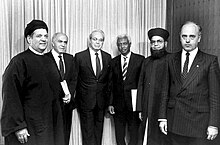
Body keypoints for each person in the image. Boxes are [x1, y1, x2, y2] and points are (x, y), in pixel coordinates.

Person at [1, 20, 65, 145]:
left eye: (46, 36)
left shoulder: (49, 61)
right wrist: (19, 126)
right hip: (30, 127)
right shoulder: (19, 62)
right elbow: (11, 96)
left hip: (49, 124)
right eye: (39, 36)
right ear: (29, 39)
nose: (43, 39)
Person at [159, 21, 220, 145]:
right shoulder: (170, 59)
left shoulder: (209, 61)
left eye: (192, 36)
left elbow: (215, 96)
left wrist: (213, 124)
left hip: (198, 123)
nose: (187, 40)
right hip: (174, 120)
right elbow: (165, 90)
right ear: (179, 37)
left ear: (199, 38)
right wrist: (162, 117)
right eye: (184, 36)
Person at [74, 29, 111, 145]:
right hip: (85, 102)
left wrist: (109, 102)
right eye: (95, 39)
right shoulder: (79, 57)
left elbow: (109, 82)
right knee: (88, 133)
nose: (97, 42)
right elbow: (75, 80)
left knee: (98, 132)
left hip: (101, 102)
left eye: (101, 40)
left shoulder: (107, 57)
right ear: (90, 40)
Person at [108, 34, 144, 145]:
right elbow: (110, 84)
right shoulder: (113, 62)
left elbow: (142, 83)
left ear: (130, 44)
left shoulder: (140, 60)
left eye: (124, 43)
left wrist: (140, 106)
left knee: (134, 133)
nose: (122, 46)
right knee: (119, 134)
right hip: (118, 105)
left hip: (134, 105)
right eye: (119, 44)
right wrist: (110, 103)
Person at [136, 28, 169, 145]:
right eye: (153, 42)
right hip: (146, 105)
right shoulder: (146, 61)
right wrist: (140, 108)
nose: (155, 45)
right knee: (145, 136)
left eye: (159, 42)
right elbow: (141, 84)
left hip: (162, 108)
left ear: (165, 43)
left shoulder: (171, 60)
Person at [44, 32, 77, 145]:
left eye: (65, 42)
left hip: (67, 105)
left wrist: (70, 95)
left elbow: (73, 80)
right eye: (60, 41)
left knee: (65, 134)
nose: (63, 44)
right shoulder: (44, 59)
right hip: (51, 105)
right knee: (53, 136)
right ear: (52, 43)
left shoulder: (70, 58)